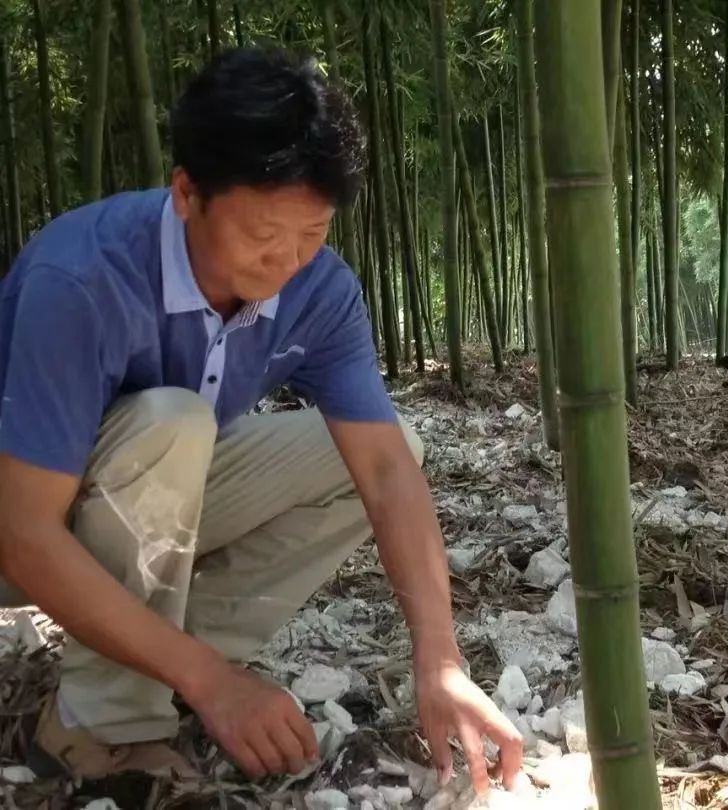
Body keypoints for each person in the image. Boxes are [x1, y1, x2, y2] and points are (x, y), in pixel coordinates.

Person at [0, 47, 521, 792]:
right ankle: (102, 721)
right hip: (26, 525)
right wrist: (217, 683)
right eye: (263, 234)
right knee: (173, 421)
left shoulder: (321, 290)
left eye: (311, 235)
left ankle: (163, 659)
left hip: (145, 505)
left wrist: (440, 658)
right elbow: (22, 537)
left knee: (389, 445)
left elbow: (382, 472)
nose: (286, 261)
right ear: (186, 192)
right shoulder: (82, 279)